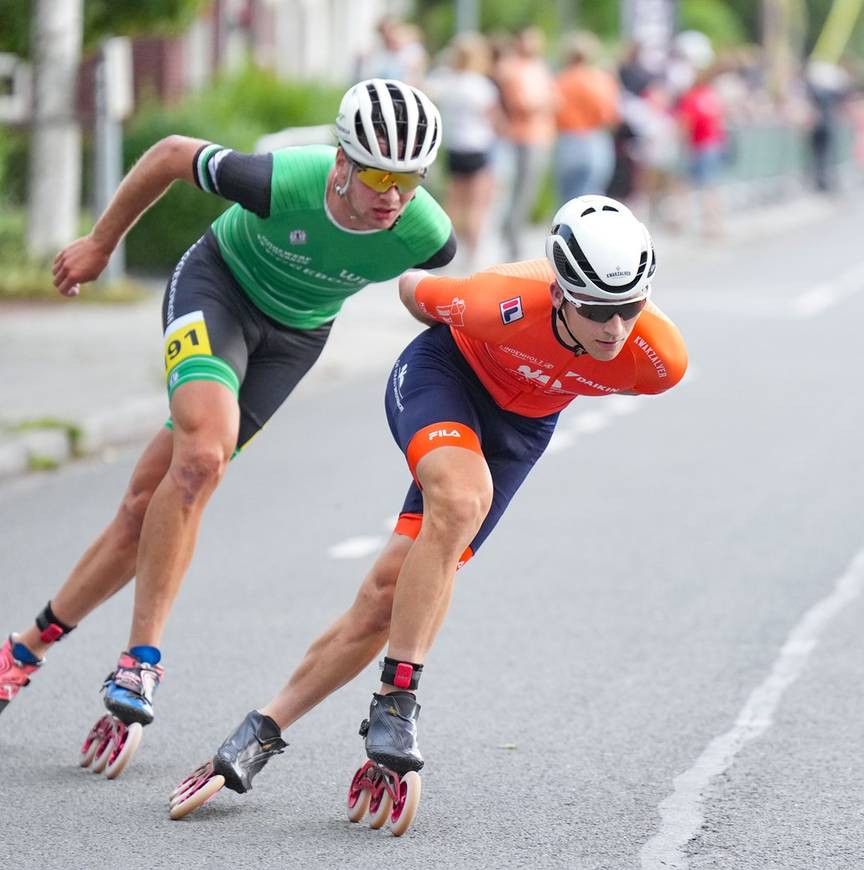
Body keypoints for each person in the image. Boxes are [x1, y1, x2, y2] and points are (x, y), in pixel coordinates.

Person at [168, 194, 688, 834]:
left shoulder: (659, 361)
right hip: (443, 378)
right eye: (598, 311)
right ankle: (398, 697)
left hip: (519, 433)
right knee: (465, 497)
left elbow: (615, 341)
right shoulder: (496, 299)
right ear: (558, 295)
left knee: (388, 593)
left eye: (630, 308)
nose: (616, 328)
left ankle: (260, 731)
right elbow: (414, 290)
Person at [0, 78, 455, 773]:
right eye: (376, 174)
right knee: (202, 460)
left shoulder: (428, 235)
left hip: (293, 341)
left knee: (142, 506)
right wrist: (98, 243)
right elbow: (171, 153)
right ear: (341, 161)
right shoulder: (281, 182)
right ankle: (140, 660)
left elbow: (440, 289)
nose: (392, 194)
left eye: (409, 178)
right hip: (218, 289)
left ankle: (22, 650)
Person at [426, 32, 503, 269]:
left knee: (454, 203)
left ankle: (449, 249)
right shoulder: (481, 86)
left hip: (454, 147)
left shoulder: (448, 82)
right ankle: (474, 254)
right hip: (477, 147)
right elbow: (494, 118)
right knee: (478, 205)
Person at [553, 31, 620, 203]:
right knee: (594, 198)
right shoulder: (601, 80)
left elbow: (553, 111)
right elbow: (609, 115)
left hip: (568, 139)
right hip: (594, 138)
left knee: (567, 199)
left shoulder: (562, 79)